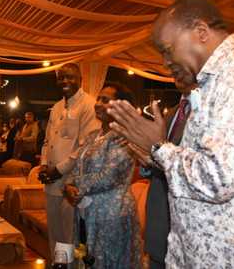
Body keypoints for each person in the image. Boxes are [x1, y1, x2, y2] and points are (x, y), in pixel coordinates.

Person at [107, 0, 234, 267]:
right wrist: (157, 154)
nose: (165, 62)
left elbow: (218, 178)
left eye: (167, 49)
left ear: (201, 32)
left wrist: (160, 147)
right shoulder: (214, 83)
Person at [63, 82, 142, 269]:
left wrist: (77, 186)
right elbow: (78, 167)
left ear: (121, 106)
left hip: (111, 214)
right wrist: (68, 185)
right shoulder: (93, 136)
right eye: (98, 98)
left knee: (107, 262)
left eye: (105, 100)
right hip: (86, 213)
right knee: (85, 259)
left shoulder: (125, 136)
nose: (97, 103)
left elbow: (110, 176)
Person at [38, 63, 100, 266]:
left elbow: (85, 146)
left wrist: (59, 170)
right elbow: (47, 140)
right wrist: (44, 165)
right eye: (61, 77)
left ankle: (69, 266)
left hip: (71, 184)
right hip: (52, 181)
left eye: (70, 77)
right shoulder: (56, 107)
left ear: (80, 79)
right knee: (55, 234)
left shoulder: (89, 105)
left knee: (69, 236)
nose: (65, 81)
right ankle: (58, 265)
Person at [130, 80, 197, 269]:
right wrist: (146, 163)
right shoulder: (171, 114)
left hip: (189, 230)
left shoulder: (211, 112)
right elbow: (158, 158)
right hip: (159, 223)